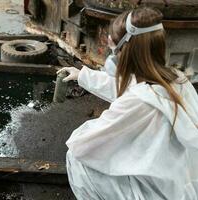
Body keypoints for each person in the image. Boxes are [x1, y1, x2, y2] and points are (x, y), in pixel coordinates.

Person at [57, 7, 198, 200]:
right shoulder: (177, 80)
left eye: (113, 48)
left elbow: (85, 145)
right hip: (177, 182)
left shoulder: (138, 102)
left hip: (157, 193)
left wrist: (81, 133)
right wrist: (82, 75)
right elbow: (131, 87)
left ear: (124, 52)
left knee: (76, 159)